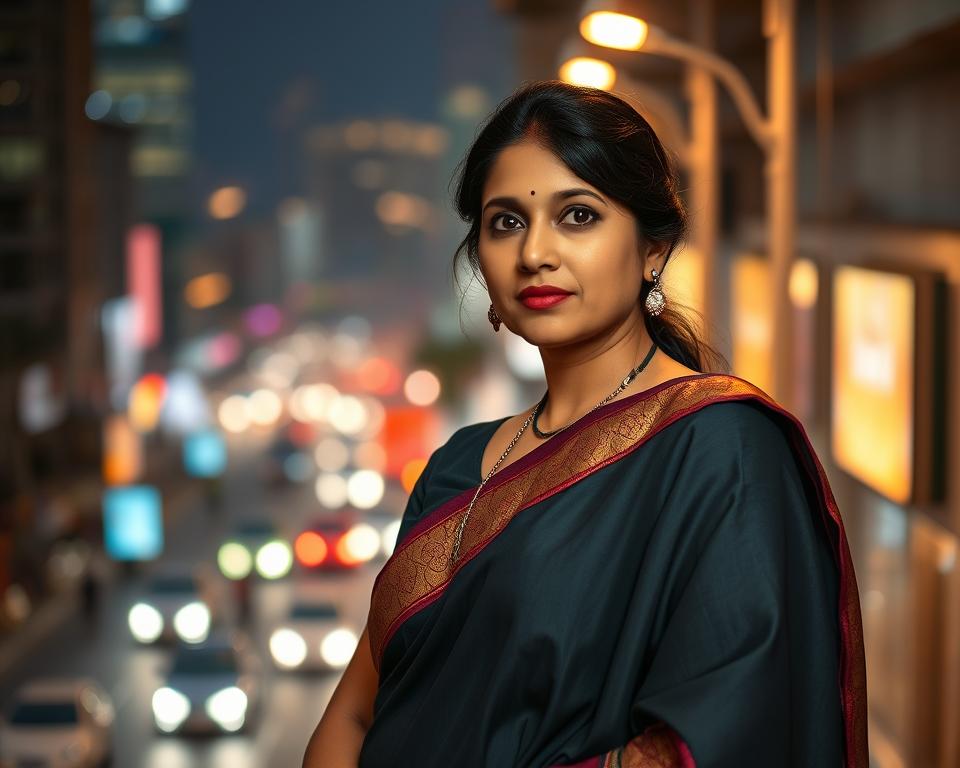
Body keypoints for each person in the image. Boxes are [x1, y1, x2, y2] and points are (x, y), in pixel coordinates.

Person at [302, 80, 868, 768]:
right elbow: (356, 713)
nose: (535, 251)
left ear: (653, 250)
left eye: (577, 216)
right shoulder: (455, 466)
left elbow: (723, 731)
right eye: (506, 222)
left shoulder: (721, 449)